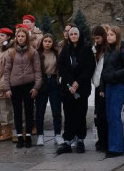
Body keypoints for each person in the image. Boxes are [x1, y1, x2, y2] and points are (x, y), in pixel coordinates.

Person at [56, 26, 95, 155]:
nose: (73, 36)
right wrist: (71, 82)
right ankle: (67, 140)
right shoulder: (66, 50)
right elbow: (61, 67)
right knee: (69, 115)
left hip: (81, 88)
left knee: (80, 115)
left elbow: (89, 68)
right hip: (68, 88)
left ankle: (80, 140)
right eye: (71, 34)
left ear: (79, 35)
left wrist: (77, 82)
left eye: (75, 34)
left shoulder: (86, 49)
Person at [3, 28, 42, 148]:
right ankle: (20, 135)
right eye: (18, 36)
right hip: (15, 86)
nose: (20, 38)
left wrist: (36, 87)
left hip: (29, 86)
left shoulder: (33, 52)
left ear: (27, 38)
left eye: (23, 36)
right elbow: (7, 71)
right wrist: (7, 88)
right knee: (17, 112)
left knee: (29, 111)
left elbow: (37, 70)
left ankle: (28, 135)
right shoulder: (11, 52)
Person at [99, 26, 124, 158]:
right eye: (108, 35)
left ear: (117, 36)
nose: (109, 37)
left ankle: (116, 148)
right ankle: (118, 145)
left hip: (119, 85)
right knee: (110, 116)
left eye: (112, 35)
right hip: (108, 86)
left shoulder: (123, 50)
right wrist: (102, 87)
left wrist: (115, 75)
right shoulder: (107, 51)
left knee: (114, 116)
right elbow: (104, 70)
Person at [35, 34, 62, 147]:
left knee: (56, 110)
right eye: (45, 41)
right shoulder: (38, 54)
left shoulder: (56, 53)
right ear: (42, 42)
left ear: (52, 43)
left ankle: (57, 135)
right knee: (40, 110)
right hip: (42, 81)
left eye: (49, 41)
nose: (47, 43)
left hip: (54, 82)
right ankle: (40, 135)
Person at [0, 28, 15, 142]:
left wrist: (4, 84)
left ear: (8, 37)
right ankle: (1, 129)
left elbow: (8, 70)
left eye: (3, 35)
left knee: (5, 109)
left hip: (3, 83)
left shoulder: (9, 51)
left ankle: (8, 131)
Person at [90, 25, 109, 152]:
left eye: (98, 38)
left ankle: (106, 140)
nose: (96, 40)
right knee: (99, 114)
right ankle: (101, 140)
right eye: (95, 38)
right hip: (97, 84)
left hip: (106, 84)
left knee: (105, 114)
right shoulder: (94, 49)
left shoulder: (108, 49)